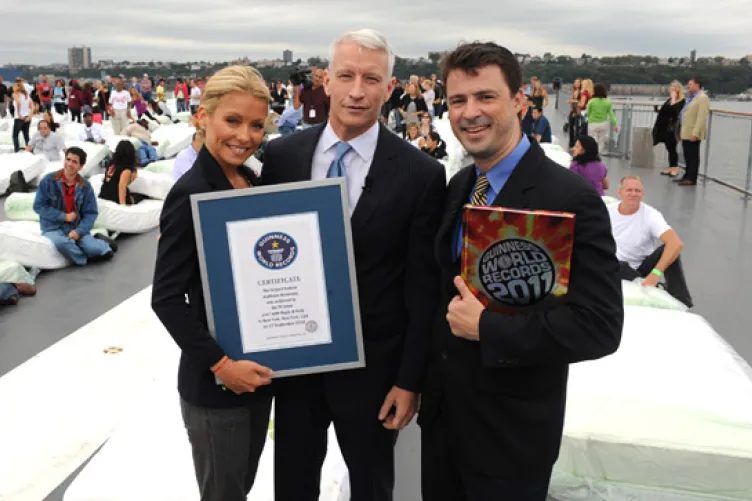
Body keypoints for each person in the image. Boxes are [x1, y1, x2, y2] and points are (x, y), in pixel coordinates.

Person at [419, 42, 623, 501]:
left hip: (511, 437)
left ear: (518, 102)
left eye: (485, 97)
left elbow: (599, 326)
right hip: (444, 425)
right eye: (457, 100)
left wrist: (489, 329)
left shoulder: (570, 199)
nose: (470, 112)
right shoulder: (459, 188)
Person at [261, 29, 446, 501]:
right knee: (292, 482)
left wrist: (409, 381)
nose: (357, 91)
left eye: (371, 78)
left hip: (374, 369)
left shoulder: (421, 174)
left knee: (371, 484)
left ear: (390, 86)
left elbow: (423, 287)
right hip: (296, 363)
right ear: (326, 80)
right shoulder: (282, 157)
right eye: (346, 76)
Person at [151, 66, 274, 501]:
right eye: (233, 121)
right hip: (216, 385)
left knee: (240, 485)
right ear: (203, 117)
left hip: (256, 375)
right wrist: (222, 366)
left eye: (256, 125)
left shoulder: (251, 180)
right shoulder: (190, 192)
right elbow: (165, 299)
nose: (245, 135)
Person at [609, 176, 692, 306]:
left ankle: (682, 299)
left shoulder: (651, 215)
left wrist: (655, 273)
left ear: (643, 194)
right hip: (615, 265)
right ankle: (652, 286)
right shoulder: (608, 211)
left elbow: (676, 243)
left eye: (637, 191)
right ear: (620, 192)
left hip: (641, 267)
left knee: (671, 249)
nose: (633, 194)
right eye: (629, 190)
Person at [33, 147, 114, 266]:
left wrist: (79, 231)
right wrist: (63, 216)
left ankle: (102, 244)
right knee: (63, 243)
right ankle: (84, 259)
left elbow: (91, 213)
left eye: (74, 162)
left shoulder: (85, 187)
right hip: (52, 228)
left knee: (95, 249)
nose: (70, 164)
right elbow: (39, 206)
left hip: (75, 226)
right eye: (68, 159)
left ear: (81, 166)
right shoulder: (48, 180)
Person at [676, 77, 710, 186]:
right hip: (686, 132)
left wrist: (695, 133)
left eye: (690, 84)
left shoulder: (702, 98)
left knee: (693, 156)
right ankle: (686, 175)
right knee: (687, 155)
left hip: (692, 133)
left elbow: (701, 117)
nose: (688, 86)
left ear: (697, 85)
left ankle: (691, 178)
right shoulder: (691, 98)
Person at [653, 81, 685, 178]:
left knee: (672, 148)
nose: (672, 91)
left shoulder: (681, 101)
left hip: (673, 129)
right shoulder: (669, 100)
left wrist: (674, 99)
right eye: (671, 89)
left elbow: (674, 111)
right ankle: (671, 167)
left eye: (674, 89)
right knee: (669, 148)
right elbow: (665, 110)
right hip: (665, 128)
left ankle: (675, 168)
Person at [99, 141, 140, 205]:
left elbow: (113, 181)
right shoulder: (126, 170)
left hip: (104, 195)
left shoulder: (111, 164)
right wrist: (123, 205)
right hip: (115, 198)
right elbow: (121, 186)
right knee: (140, 196)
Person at [586, 84, 618, 154]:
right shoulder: (608, 101)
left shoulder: (591, 101)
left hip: (593, 123)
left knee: (592, 140)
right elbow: (611, 115)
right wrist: (615, 125)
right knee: (601, 141)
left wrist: (586, 119)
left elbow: (587, 113)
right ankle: (598, 154)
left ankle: (592, 154)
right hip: (603, 123)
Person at [12, 81, 32, 152]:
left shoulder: (15, 94)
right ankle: (29, 150)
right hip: (27, 117)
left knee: (15, 135)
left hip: (19, 118)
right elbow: (31, 106)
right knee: (26, 135)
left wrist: (19, 114)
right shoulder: (27, 95)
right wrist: (29, 116)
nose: (13, 87)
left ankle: (17, 150)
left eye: (14, 86)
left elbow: (18, 103)